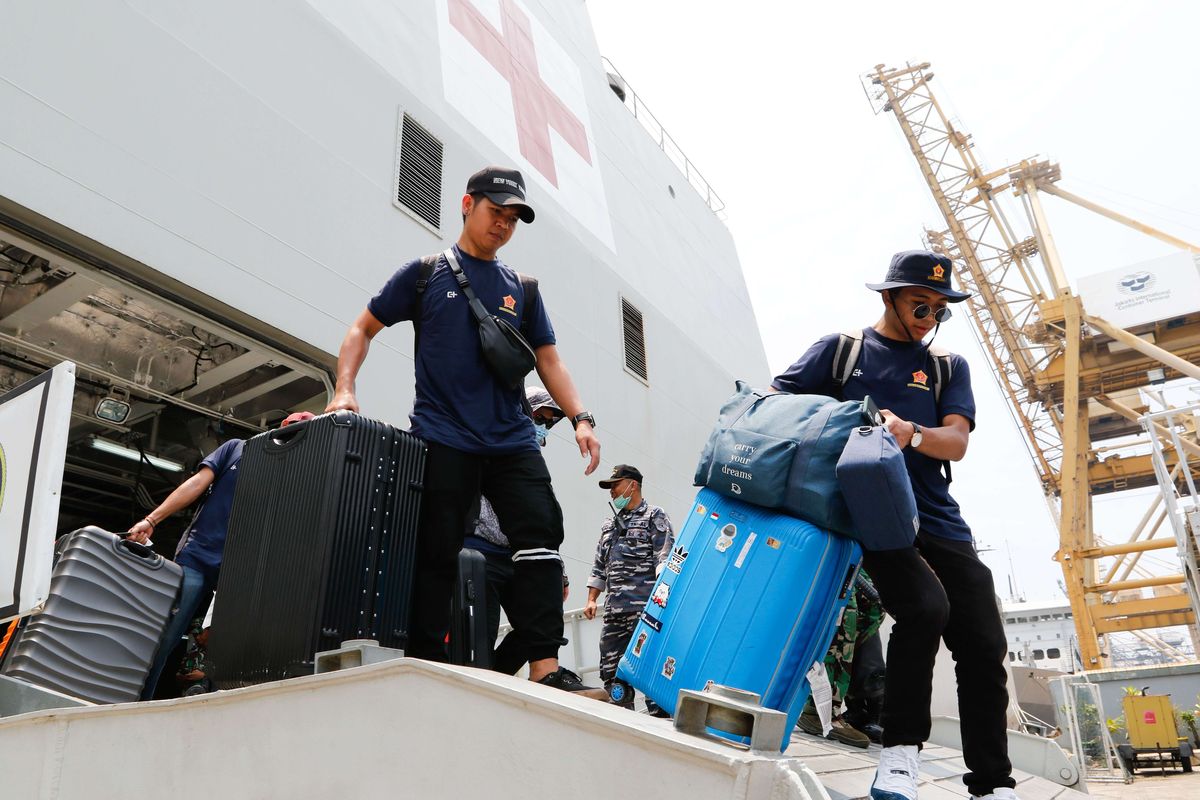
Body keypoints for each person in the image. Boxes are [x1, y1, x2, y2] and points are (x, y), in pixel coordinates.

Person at [326, 166, 602, 694]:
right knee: (436, 550)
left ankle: (547, 668)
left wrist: (580, 418)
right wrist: (345, 387)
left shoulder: (522, 289)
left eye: (514, 218)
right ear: (467, 204)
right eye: (496, 212)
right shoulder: (424, 273)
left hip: (512, 439)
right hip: (444, 436)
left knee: (541, 536)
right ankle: (427, 663)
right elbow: (362, 326)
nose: (504, 224)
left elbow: (548, 358)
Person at [771, 251, 1016, 800]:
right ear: (889, 298)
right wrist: (847, 422)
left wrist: (914, 433)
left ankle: (993, 783)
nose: (930, 315)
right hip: (872, 512)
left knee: (982, 643)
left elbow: (957, 440)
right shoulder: (842, 353)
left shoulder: (948, 367)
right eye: (920, 304)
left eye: (940, 308)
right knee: (924, 608)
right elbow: (776, 403)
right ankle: (900, 757)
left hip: (940, 517)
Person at [130, 410, 314, 700]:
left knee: (231, 648)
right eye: (293, 425)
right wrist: (151, 520)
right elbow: (196, 484)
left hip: (245, 572)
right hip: (200, 556)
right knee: (164, 636)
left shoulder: (305, 470)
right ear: (281, 427)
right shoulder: (238, 449)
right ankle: (135, 702)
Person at [464, 386, 573, 675]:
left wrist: (557, 572)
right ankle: (483, 681)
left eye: (549, 422)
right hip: (481, 551)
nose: (544, 427)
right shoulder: (487, 440)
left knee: (536, 630)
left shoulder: (531, 460)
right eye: (540, 418)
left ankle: (497, 676)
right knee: (479, 637)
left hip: (516, 557)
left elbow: (539, 522)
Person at [584, 464, 674, 713]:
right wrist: (592, 599)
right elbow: (599, 566)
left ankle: (660, 722)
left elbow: (664, 560)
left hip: (644, 610)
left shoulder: (654, 516)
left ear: (632, 485)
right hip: (614, 612)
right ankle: (622, 718)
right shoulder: (609, 525)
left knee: (649, 667)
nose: (612, 491)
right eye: (610, 487)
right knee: (612, 671)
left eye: (615, 485)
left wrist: (660, 601)